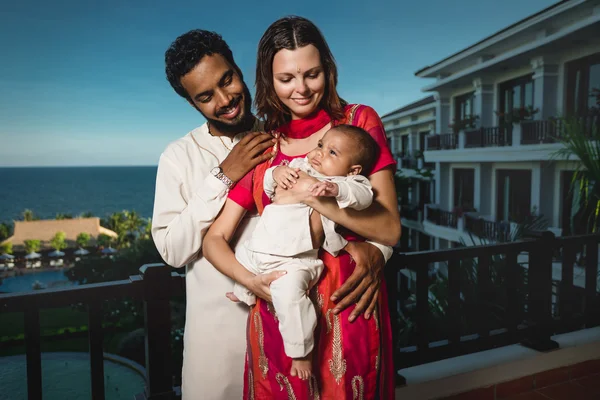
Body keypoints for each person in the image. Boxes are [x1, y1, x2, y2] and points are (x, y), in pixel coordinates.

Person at [202, 16, 401, 399]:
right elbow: (215, 239)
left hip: (348, 309)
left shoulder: (357, 124)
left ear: (327, 69)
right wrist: (251, 282)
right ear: (268, 79)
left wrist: (313, 196)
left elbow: (390, 228)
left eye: (312, 74)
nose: (301, 89)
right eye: (286, 78)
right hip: (278, 314)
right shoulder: (263, 147)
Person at [151, 30, 278, 400]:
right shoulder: (178, 157)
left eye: (228, 80)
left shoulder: (280, 133)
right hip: (218, 347)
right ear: (192, 104)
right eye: (206, 97)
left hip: (289, 332)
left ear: (238, 68)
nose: (225, 100)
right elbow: (172, 251)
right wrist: (224, 176)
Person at [225, 124, 389, 380]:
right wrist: (277, 172)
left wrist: (336, 189)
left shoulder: (344, 181)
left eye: (333, 153)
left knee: (291, 299)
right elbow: (268, 183)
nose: (320, 153)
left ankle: (301, 353)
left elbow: (363, 195)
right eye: (322, 145)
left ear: (352, 169)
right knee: (242, 259)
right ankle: (243, 292)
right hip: (261, 248)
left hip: (294, 260)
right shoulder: (300, 165)